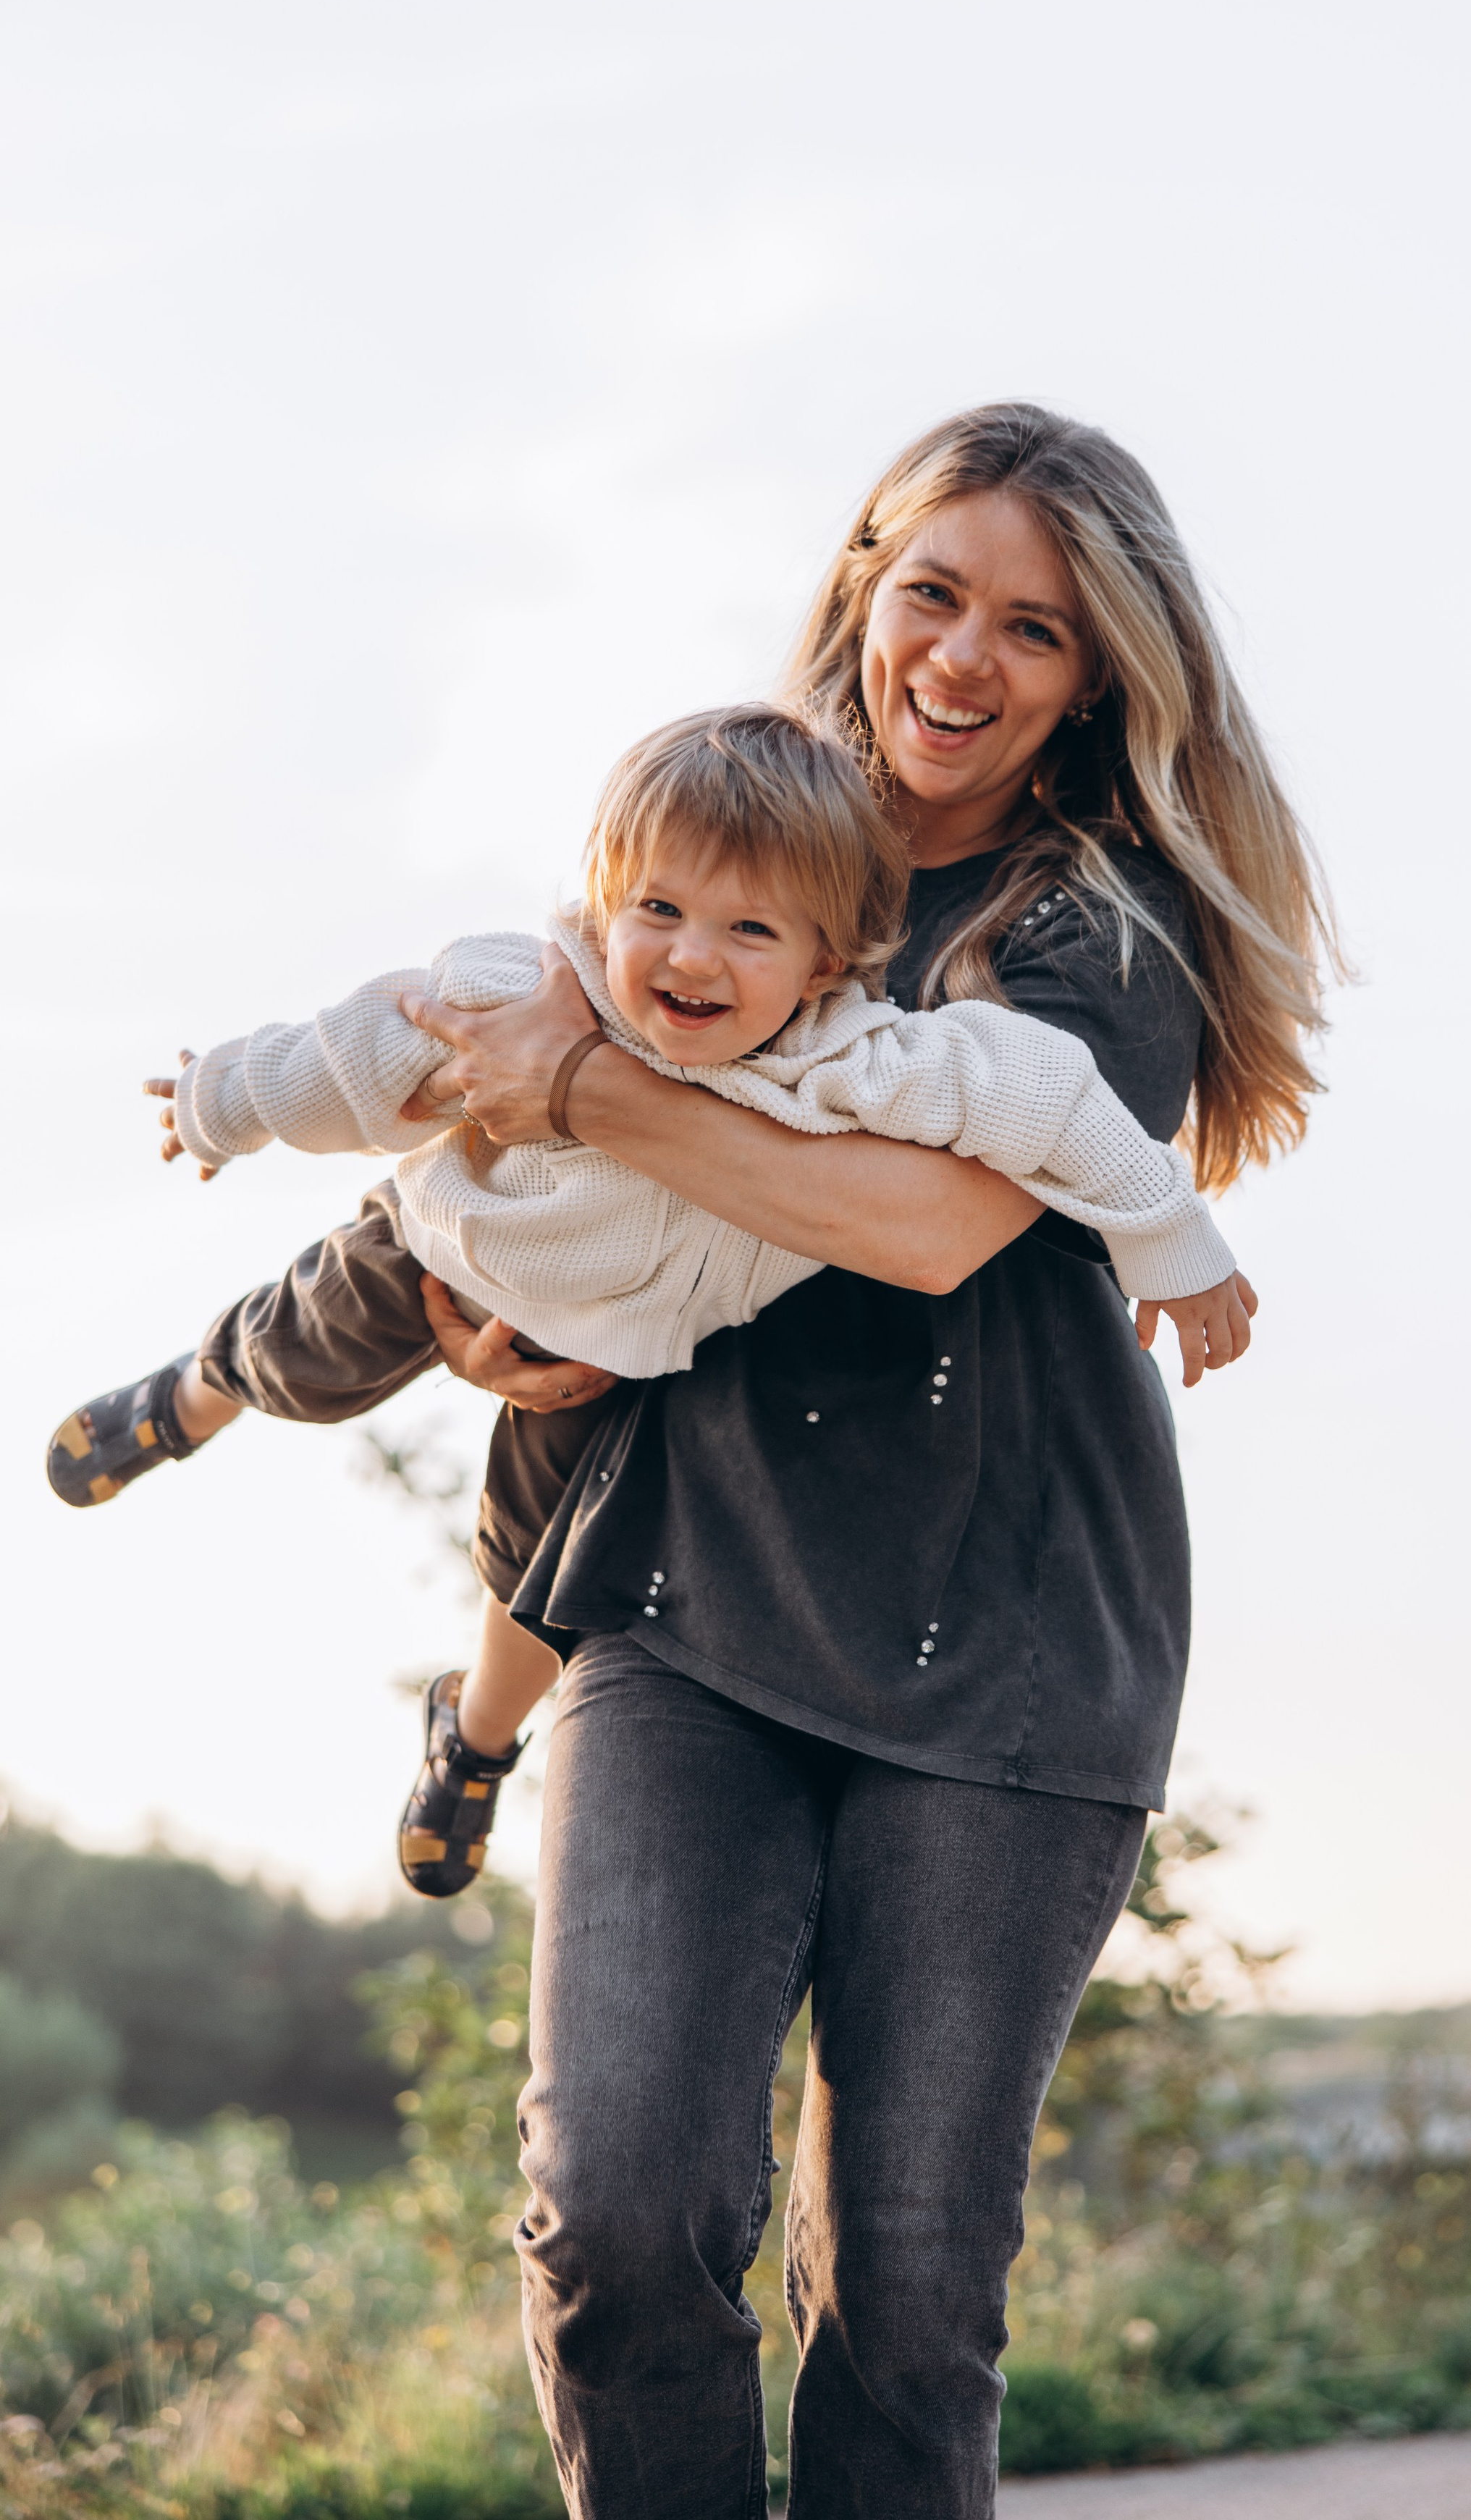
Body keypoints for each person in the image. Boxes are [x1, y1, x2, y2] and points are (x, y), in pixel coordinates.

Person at [384, 403, 1335, 2518]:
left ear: (1101, 681)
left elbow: (920, 1229)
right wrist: (495, 1291)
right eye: (936, 592)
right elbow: (501, 1133)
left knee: (903, 2297)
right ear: (862, 582)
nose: (967, 659)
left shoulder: (1109, 928)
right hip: (690, 1612)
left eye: (1040, 630)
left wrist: (591, 1094)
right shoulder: (714, 830)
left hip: (1000, 1657)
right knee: (620, 2209)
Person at [46, 705, 1244, 1900]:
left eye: (749, 930)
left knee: (535, 1559)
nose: (689, 957)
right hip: (458, 1234)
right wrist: (224, 1102)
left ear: (825, 960)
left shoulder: (856, 1063)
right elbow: (360, 1052)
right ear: (606, 897)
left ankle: (474, 1740)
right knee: (304, 1352)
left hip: (612, 1344)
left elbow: (1054, 1101)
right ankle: (186, 1398)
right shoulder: (530, 987)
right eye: (658, 910)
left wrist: (1173, 1237)